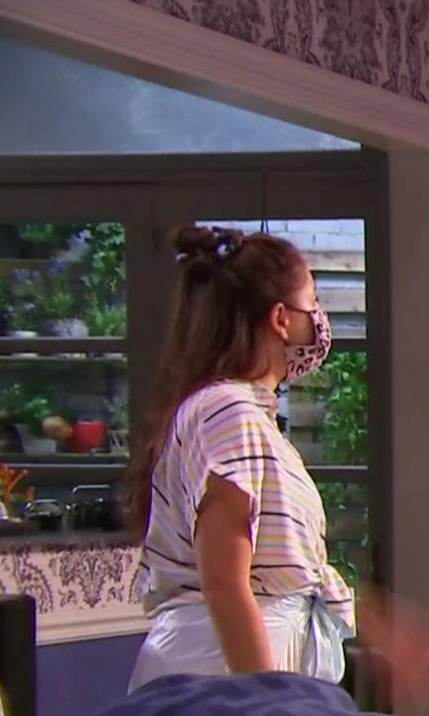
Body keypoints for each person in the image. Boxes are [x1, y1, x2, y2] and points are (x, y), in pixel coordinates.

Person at [125, 225, 355, 691]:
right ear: (281, 318)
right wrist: (266, 704)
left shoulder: (244, 415)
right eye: (312, 301)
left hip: (239, 667)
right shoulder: (226, 412)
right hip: (224, 676)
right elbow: (226, 584)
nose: (318, 318)